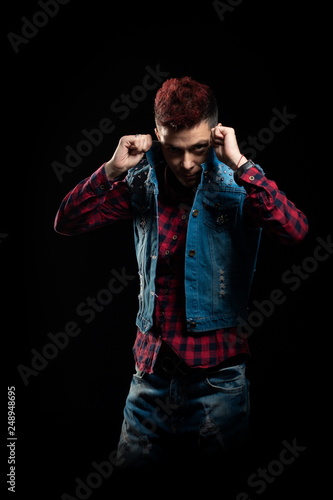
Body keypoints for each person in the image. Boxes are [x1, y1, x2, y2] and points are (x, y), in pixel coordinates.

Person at [54, 76, 308, 474]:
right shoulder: (141, 184)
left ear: (216, 134)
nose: (186, 163)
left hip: (217, 385)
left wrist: (242, 164)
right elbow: (67, 221)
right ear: (157, 136)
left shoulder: (239, 187)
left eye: (199, 148)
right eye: (174, 150)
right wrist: (110, 169)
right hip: (149, 381)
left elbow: (295, 231)